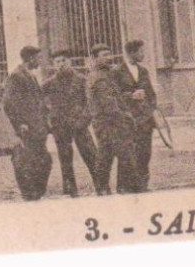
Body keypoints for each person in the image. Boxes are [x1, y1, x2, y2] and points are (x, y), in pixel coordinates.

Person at [44, 50, 101, 197]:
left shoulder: (82, 80)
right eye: (58, 62)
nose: (61, 64)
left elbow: (90, 102)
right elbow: (41, 104)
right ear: (53, 65)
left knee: (91, 154)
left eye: (64, 60)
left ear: (70, 62)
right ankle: (70, 189)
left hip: (79, 124)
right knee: (65, 158)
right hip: (60, 126)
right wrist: (50, 120)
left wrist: (85, 119)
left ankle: (101, 184)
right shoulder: (49, 83)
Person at [3, 45, 53, 201]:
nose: (40, 61)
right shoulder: (17, 76)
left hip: (38, 127)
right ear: (30, 58)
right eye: (38, 58)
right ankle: (30, 193)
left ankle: (35, 192)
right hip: (28, 128)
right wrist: (19, 124)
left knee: (42, 160)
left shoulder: (29, 75)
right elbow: (9, 103)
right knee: (28, 160)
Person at [87, 44, 131, 196]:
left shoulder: (107, 74)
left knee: (113, 154)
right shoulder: (98, 76)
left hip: (111, 120)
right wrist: (125, 116)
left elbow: (116, 96)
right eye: (104, 55)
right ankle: (104, 188)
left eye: (109, 54)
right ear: (94, 58)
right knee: (107, 155)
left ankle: (111, 187)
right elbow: (108, 103)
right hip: (106, 122)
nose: (108, 58)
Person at [115, 39, 158, 192]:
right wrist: (130, 96)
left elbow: (152, 94)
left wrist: (149, 109)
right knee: (127, 153)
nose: (143, 54)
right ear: (131, 53)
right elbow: (115, 96)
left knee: (145, 153)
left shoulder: (144, 71)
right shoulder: (117, 72)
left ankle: (142, 186)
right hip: (128, 120)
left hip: (145, 120)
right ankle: (124, 187)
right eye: (141, 51)